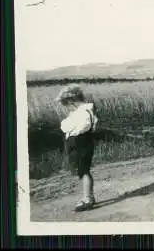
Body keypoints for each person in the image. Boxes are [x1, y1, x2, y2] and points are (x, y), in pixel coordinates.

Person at [55, 84, 99, 212]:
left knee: (84, 170)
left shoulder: (84, 112)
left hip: (81, 142)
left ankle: (87, 198)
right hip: (77, 142)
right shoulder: (78, 112)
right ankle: (89, 196)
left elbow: (81, 127)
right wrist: (70, 127)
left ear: (72, 102)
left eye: (66, 105)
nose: (67, 108)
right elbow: (65, 126)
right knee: (81, 170)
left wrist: (71, 128)